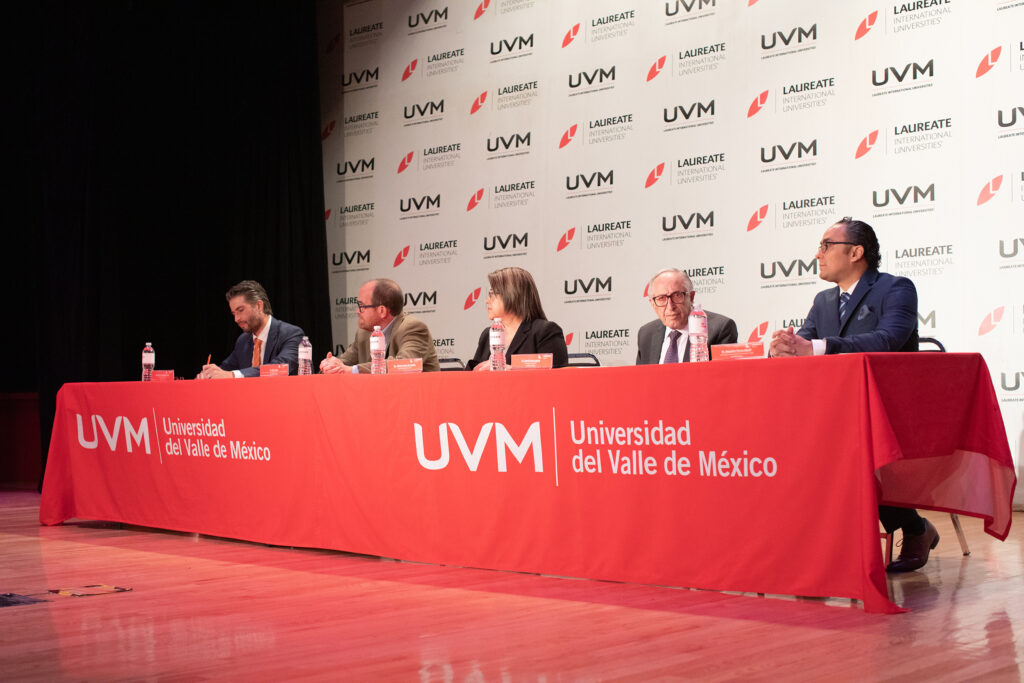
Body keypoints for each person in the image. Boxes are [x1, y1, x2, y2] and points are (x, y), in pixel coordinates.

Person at [769, 216, 932, 573]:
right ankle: (812, 543)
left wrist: (818, 346)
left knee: (848, 445)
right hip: (837, 406)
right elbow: (805, 342)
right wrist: (784, 347)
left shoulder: (895, 288)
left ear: (856, 252)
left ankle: (914, 528)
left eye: (826, 245)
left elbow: (888, 340)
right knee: (796, 440)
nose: (818, 254)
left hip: (888, 406)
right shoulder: (823, 300)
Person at [320, 278, 440, 373]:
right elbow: (344, 362)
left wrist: (351, 370)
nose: (357, 311)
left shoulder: (413, 328)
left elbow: (403, 364)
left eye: (361, 306)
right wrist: (329, 366)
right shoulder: (364, 333)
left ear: (382, 311)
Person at [466, 267, 568, 370]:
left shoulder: (545, 331)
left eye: (492, 294)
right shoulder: (487, 335)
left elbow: (558, 377)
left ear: (512, 294)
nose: (487, 301)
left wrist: (510, 370)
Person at [199, 280, 305, 378]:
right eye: (234, 313)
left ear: (259, 306)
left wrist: (233, 375)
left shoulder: (292, 334)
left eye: (240, 310)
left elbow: (280, 367)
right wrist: (209, 375)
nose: (236, 319)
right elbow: (224, 370)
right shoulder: (243, 340)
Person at [636, 268, 737, 364]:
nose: (670, 307)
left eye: (677, 295)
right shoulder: (646, 334)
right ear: (652, 303)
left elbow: (723, 375)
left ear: (691, 297)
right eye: (661, 298)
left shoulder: (719, 329)